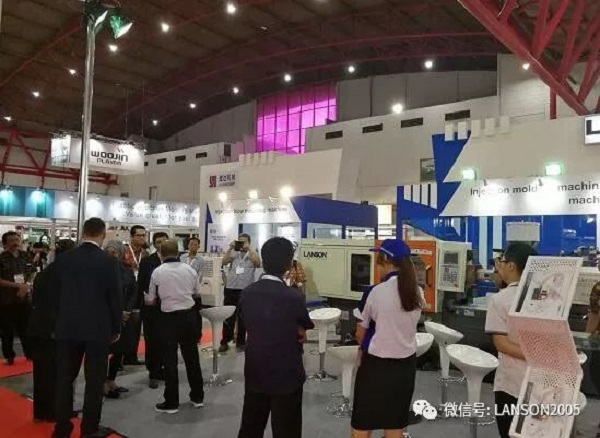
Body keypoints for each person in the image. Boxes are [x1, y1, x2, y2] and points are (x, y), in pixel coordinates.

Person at [52, 218, 122, 438]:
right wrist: (116, 327)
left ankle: (62, 428)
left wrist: (56, 323)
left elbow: (53, 295)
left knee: (64, 379)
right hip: (98, 329)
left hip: (67, 328)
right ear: (103, 234)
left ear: (83, 233)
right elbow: (115, 298)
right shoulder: (109, 261)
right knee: (94, 381)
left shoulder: (64, 259)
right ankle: (89, 429)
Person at [237, 237, 314, 438]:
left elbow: (245, 320)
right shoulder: (293, 296)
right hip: (286, 372)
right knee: (287, 429)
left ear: (263, 261)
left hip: (255, 369)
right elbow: (304, 324)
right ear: (289, 264)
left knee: (251, 427)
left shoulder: (247, 293)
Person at [351, 239, 424, 438]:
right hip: (405, 369)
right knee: (394, 425)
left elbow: (360, 334)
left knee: (362, 425)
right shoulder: (417, 292)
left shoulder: (375, 292)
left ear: (386, 260)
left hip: (376, 368)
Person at [485, 242, 537, 438]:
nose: (500, 265)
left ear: (512, 266)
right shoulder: (545, 296)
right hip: (541, 381)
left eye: (503, 261)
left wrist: (533, 355)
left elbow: (501, 343)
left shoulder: (500, 300)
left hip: (511, 383)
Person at [145, 239, 204, 414]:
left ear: (161, 254)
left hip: (168, 319)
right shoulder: (189, 270)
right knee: (192, 358)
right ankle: (197, 397)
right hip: (189, 318)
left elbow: (151, 299)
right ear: (178, 253)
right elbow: (197, 293)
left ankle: (171, 403)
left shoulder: (157, 272)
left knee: (169, 361)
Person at [28, 238, 76, 422]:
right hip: (56, 329)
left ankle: (42, 411)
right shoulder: (69, 275)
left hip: (38, 327)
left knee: (42, 372)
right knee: (60, 373)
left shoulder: (44, 273)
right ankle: (57, 411)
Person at [103, 240, 138, 399]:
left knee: (120, 350)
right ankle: (102, 383)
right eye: (108, 252)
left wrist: (127, 311)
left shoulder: (126, 271)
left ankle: (111, 380)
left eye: (114, 252)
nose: (111, 255)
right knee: (104, 351)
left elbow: (133, 292)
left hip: (124, 316)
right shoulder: (99, 271)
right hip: (106, 317)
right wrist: (116, 312)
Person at [220, 233, 261, 352]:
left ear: (249, 242)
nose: (241, 244)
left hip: (246, 290)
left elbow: (258, 263)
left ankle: (241, 342)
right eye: (240, 241)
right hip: (231, 288)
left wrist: (249, 248)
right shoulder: (234, 252)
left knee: (243, 316)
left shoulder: (252, 254)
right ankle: (225, 341)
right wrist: (230, 248)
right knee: (228, 316)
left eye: (244, 241)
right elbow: (224, 261)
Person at [138, 231, 169, 389]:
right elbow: (142, 283)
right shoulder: (147, 261)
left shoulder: (175, 261)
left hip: (169, 307)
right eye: (158, 242)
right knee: (152, 341)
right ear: (154, 244)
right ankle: (153, 372)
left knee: (167, 340)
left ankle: (162, 368)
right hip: (152, 307)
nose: (161, 244)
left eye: (164, 241)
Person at [0, 231, 34, 364]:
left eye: (17, 240)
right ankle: (9, 356)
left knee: (26, 328)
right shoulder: (2, 258)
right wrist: (18, 286)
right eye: (11, 240)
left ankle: (30, 354)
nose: (15, 243)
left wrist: (27, 285)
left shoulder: (26, 256)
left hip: (24, 299)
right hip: (6, 299)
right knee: (7, 330)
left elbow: (32, 272)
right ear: (5, 243)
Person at [122, 225, 149, 366]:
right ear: (131, 236)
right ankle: (119, 357)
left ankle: (131, 355)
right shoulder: (124, 251)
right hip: (125, 293)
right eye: (139, 235)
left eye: (143, 235)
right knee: (124, 325)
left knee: (136, 325)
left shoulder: (145, 254)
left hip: (140, 293)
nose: (142, 238)